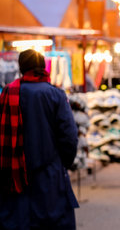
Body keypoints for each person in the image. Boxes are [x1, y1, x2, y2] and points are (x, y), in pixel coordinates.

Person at [0, 49, 79, 229]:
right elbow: (69, 137)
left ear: (21, 68)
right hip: (49, 178)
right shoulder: (55, 95)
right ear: (43, 66)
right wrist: (62, 164)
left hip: (14, 177)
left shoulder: (8, 92)